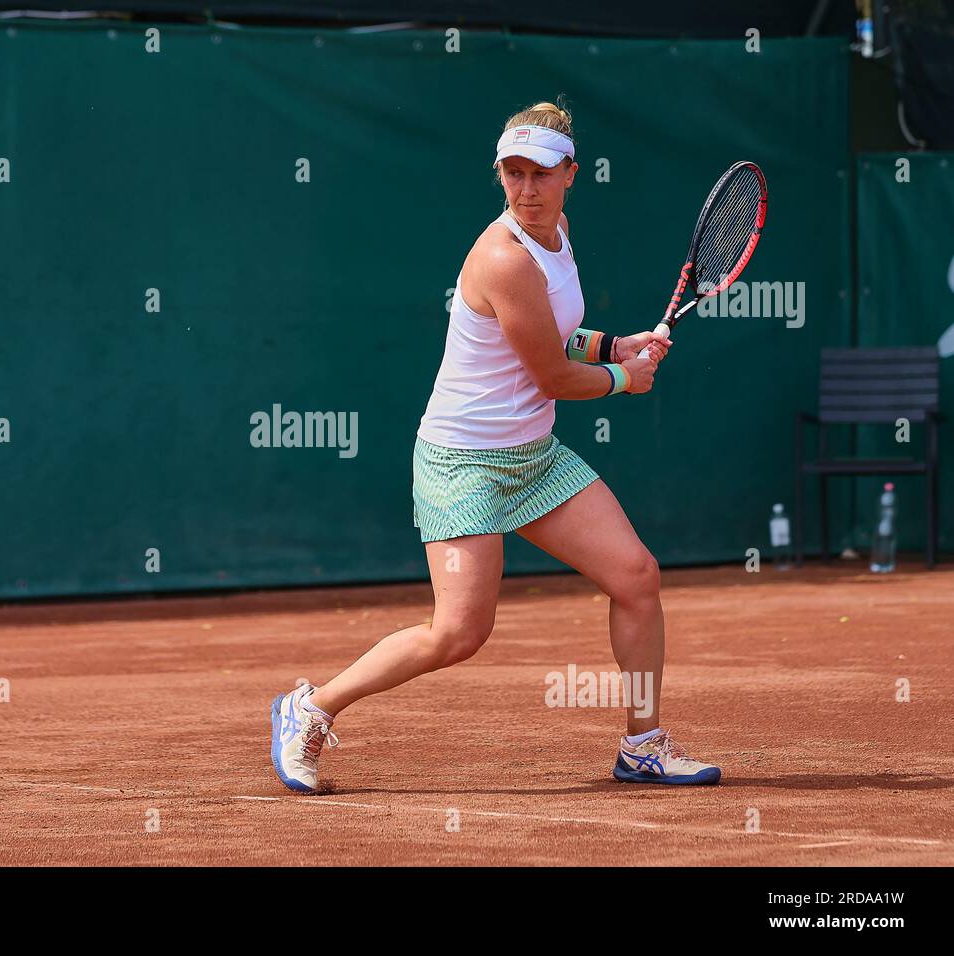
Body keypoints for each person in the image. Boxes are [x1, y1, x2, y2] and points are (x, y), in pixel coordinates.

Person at [270, 100, 721, 792]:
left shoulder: (558, 233)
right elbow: (550, 375)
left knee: (636, 577)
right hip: (462, 463)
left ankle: (643, 744)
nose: (527, 190)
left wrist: (613, 345)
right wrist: (624, 380)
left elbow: (554, 335)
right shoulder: (502, 258)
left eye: (541, 174)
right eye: (513, 174)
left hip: (533, 457)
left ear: (571, 173)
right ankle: (311, 709)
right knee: (458, 634)